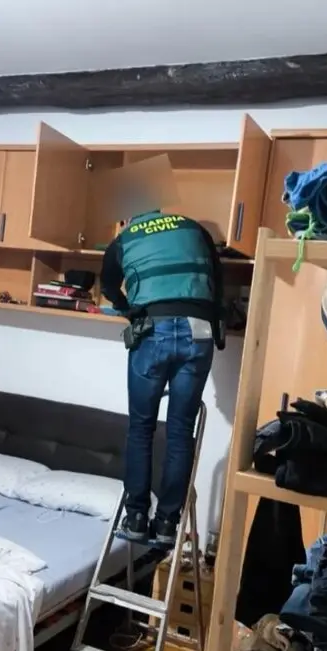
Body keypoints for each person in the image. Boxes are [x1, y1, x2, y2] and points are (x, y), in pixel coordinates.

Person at [100, 208, 225, 546]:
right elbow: (217, 279)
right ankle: (168, 523)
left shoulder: (124, 238)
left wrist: (128, 309)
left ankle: (137, 517)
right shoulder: (194, 227)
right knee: (181, 430)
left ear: (130, 218)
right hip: (199, 328)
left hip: (152, 329)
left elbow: (107, 284)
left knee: (142, 427)